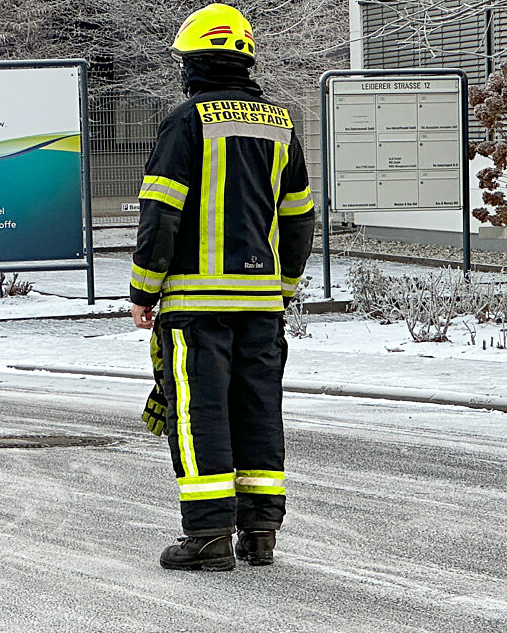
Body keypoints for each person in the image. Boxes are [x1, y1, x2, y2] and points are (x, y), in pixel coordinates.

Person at [129, 3, 316, 571]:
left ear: (193, 65)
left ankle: (207, 535)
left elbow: (162, 210)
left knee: (199, 412)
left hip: (195, 305)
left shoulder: (186, 121)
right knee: (259, 407)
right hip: (261, 306)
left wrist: (143, 289)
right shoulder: (281, 125)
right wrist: (282, 286)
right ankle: (259, 533)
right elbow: (299, 216)